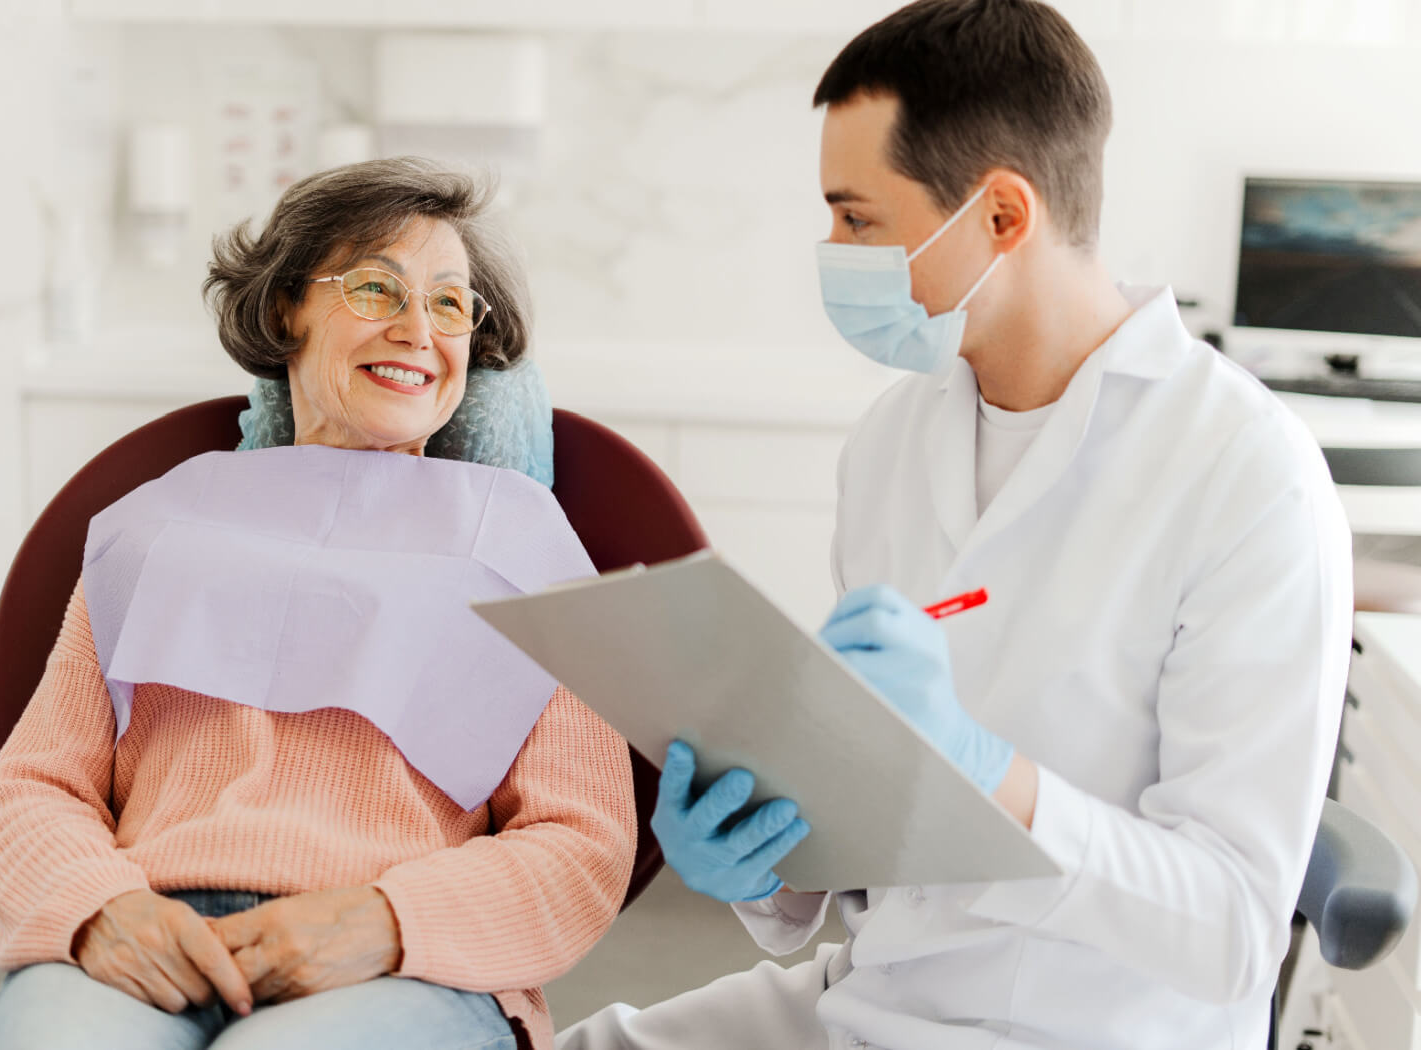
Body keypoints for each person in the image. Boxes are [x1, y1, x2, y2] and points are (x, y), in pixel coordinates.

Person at [558, 2, 1351, 1048]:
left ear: (1002, 217)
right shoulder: (893, 439)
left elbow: (1233, 931)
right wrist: (766, 860)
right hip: (878, 1001)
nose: (833, 250)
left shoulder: (1245, 473)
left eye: (857, 218)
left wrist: (992, 779)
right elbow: (863, 833)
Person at [0, 158, 637, 1050]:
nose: (416, 331)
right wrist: (99, 908)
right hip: (150, 931)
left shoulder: (522, 546)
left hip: (401, 965)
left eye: (447, 305)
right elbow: (37, 784)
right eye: (376, 289)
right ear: (288, 307)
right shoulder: (165, 521)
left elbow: (582, 839)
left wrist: (383, 920)